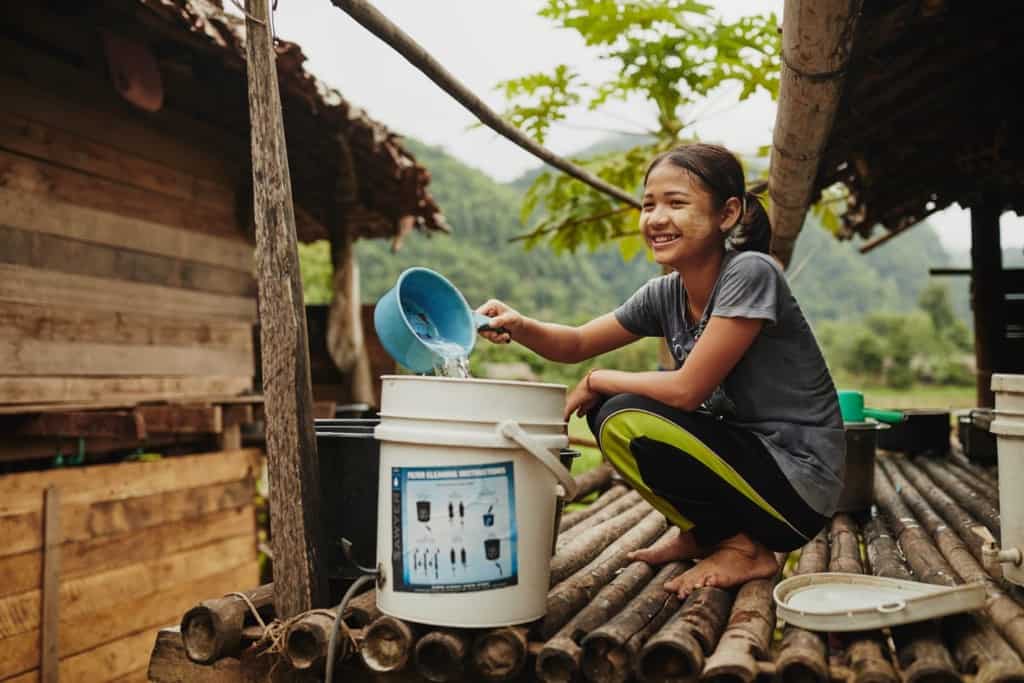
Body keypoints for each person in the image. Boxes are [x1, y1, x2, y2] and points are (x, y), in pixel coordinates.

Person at [476, 143, 845, 597]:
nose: (655, 218)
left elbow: (688, 390)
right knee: (610, 411)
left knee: (621, 412)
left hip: (797, 486)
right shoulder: (664, 295)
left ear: (726, 214)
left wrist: (597, 379)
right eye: (648, 204)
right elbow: (575, 343)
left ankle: (742, 549)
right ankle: (708, 534)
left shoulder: (751, 272)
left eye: (676, 203)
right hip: (750, 471)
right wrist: (520, 324)